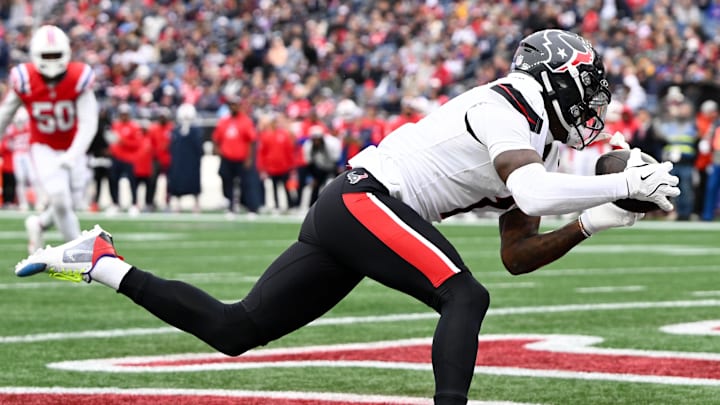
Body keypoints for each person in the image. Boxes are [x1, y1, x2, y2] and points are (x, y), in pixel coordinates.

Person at [14, 30, 680, 405]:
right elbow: (533, 193)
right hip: (364, 198)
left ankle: (99, 259)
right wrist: (619, 180)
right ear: (556, 77)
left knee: (234, 327)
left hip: (357, 209)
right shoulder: (504, 104)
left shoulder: (549, 138)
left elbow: (519, 250)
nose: (594, 107)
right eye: (588, 89)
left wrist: (597, 219)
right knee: (463, 295)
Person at [0, 24, 98, 253]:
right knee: (60, 199)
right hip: (43, 145)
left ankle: (39, 223)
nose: (52, 61)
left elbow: (88, 122)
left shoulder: (78, 77)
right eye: (47, 55)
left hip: (73, 145)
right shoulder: (25, 79)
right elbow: (5, 115)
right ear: (35, 55)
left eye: (56, 55)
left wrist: (73, 154)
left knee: (71, 203)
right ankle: (79, 252)